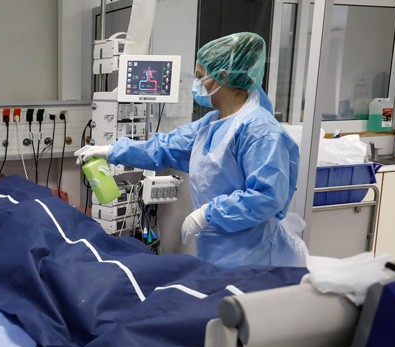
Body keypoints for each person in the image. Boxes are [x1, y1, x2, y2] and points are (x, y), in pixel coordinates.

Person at [75, 32, 307, 268]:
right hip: (218, 248)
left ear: (223, 76)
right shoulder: (212, 124)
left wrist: (208, 214)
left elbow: (267, 197)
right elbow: (164, 147)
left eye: (200, 77)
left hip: (254, 255)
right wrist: (111, 151)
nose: (196, 85)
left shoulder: (260, 131)